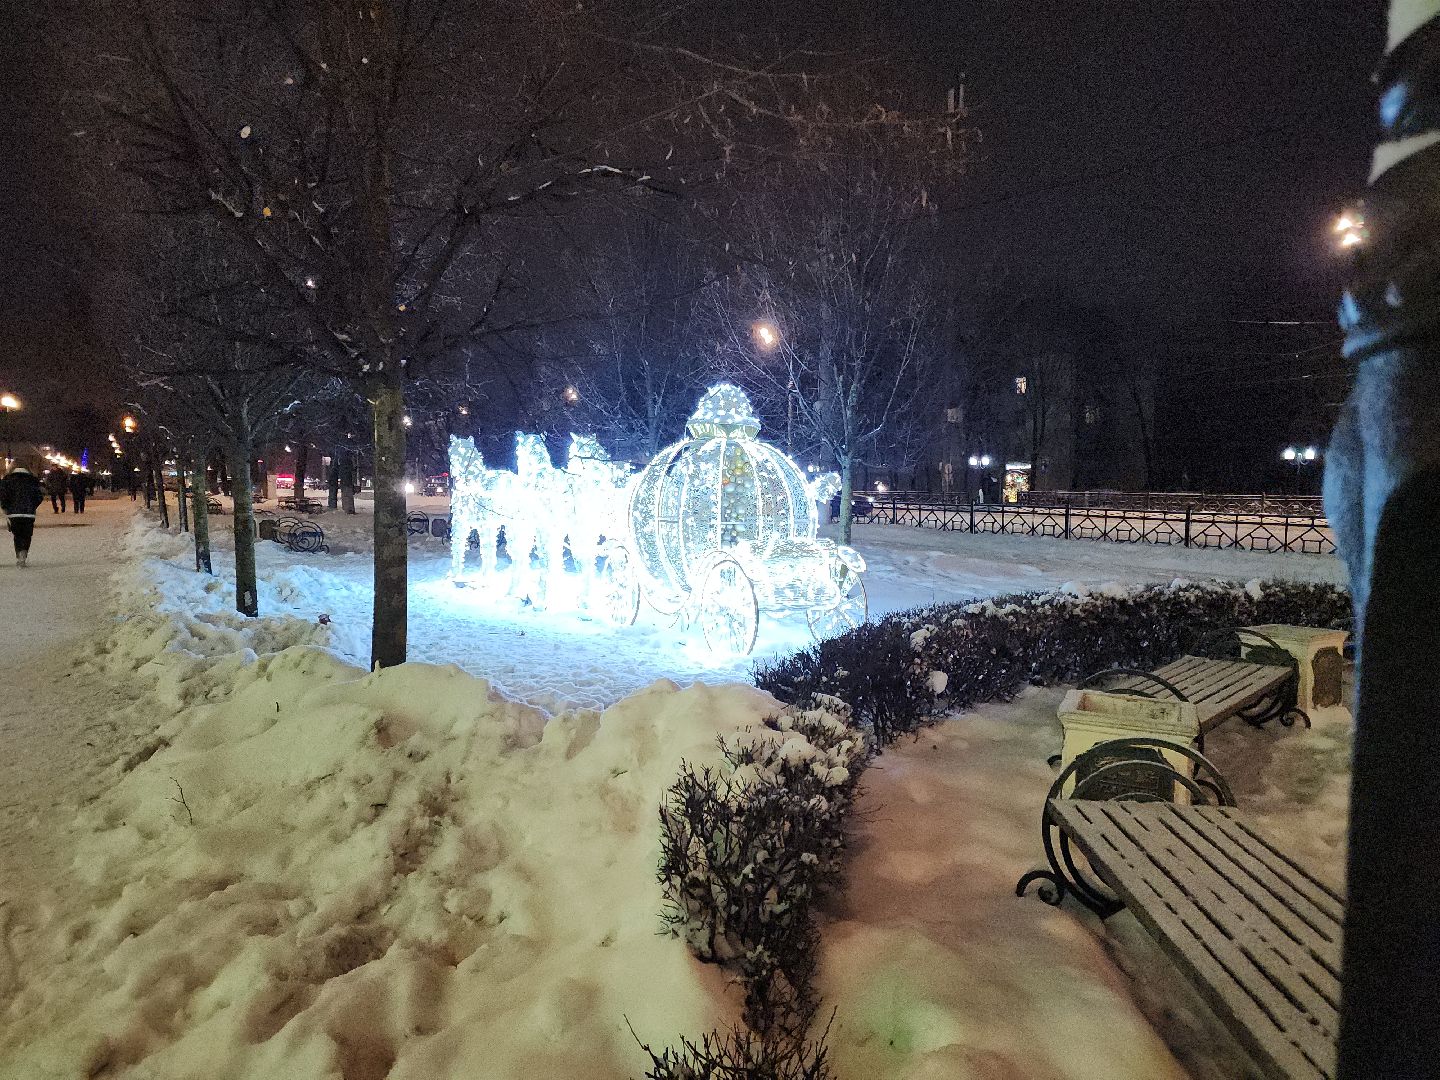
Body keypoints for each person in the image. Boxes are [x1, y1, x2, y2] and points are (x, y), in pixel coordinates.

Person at [1, 465, 44, 566]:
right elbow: (39, 496)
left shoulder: (8, 481)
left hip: (14, 514)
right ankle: (23, 553)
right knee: (27, 535)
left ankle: (19, 553)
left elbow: (3, 496)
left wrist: (6, 507)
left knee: (17, 535)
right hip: (29, 514)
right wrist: (33, 506)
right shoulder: (32, 481)